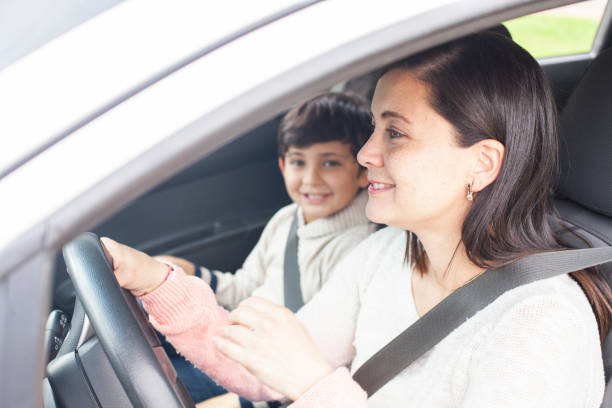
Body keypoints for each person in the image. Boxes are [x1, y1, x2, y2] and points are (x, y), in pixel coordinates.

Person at [102, 32, 612, 407]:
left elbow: (302, 379)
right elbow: (262, 367)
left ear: (481, 164)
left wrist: (314, 387)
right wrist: (156, 284)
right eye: (374, 127)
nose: (365, 153)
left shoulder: (541, 324)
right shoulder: (385, 255)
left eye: (395, 133)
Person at [147, 91, 378, 406]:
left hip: (265, 381)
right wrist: (191, 273)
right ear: (283, 166)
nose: (311, 178)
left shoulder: (357, 247)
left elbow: (321, 356)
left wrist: (241, 402)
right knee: (147, 369)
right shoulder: (287, 219)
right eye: (299, 162)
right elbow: (245, 287)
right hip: (229, 349)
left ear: (363, 173)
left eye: (330, 163)